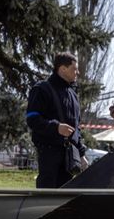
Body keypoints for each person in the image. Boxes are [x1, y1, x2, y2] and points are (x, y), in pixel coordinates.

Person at [26, 52, 88, 188]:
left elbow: (76, 128)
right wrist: (56, 127)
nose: (77, 72)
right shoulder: (41, 89)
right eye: (74, 69)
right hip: (48, 151)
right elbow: (32, 119)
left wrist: (81, 153)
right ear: (62, 69)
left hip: (69, 156)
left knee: (65, 196)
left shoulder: (73, 94)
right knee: (46, 196)